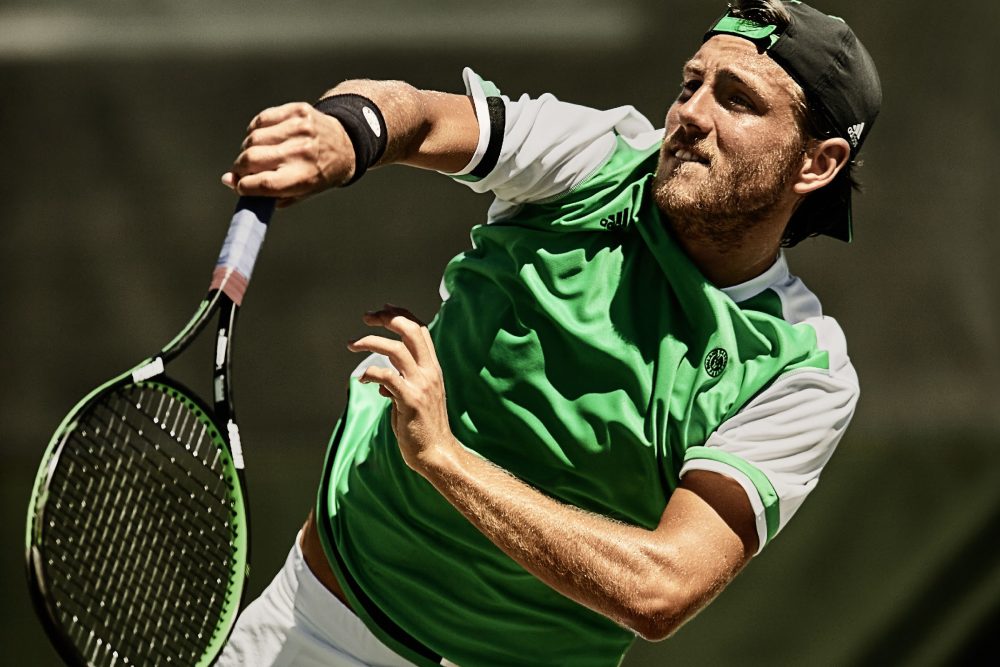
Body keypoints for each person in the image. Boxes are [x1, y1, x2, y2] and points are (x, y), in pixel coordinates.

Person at [217, 1, 881, 665]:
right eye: (690, 84)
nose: (691, 115)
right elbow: (418, 114)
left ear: (816, 163)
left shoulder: (802, 370)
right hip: (310, 621)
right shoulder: (594, 158)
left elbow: (661, 588)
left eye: (737, 100)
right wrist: (344, 132)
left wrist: (443, 456)